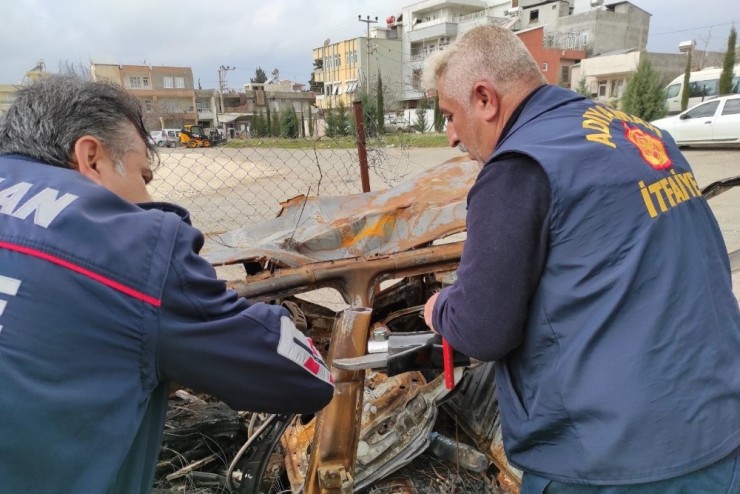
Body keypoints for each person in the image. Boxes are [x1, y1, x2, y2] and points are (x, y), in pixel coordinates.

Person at [422, 25, 740, 493]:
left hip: (612, 464)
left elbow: (482, 328)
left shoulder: (517, 169)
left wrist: (439, 309)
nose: (450, 136)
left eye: (450, 115)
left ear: (485, 100)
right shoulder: (639, 136)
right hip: (718, 429)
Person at [0, 75, 334, 493]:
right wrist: (284, 324)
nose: (144, 192)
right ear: (91, 158)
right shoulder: (132, 244)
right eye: (144, 176)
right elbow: (300, 380)